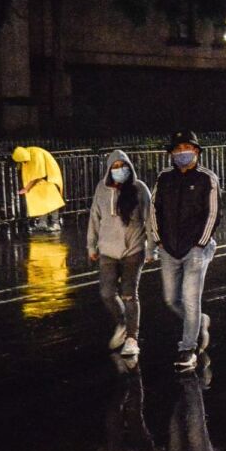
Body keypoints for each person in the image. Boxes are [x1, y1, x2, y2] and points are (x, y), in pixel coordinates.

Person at [148, 131, 220, 372]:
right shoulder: (164, 178)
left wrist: (200, 243)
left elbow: (213, 213)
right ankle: (200, 322)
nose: (182, 154)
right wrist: (158, 240)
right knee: (171, 299)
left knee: (191, 299)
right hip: (169, 248)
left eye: (187, 148)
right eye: (177, 150)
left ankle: (187, 348)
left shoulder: (206, 178)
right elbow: (153, 210)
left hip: (195, 249)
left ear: (197, 151)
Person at [87, 150, 153, 358]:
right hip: (107, 250)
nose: (119, 170)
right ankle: (123, 322)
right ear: (108, 169)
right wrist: (91, 245)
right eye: (114, 167)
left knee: (129, 294)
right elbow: (94, 217)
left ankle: (132, 338)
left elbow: (150, 220)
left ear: (129, 167)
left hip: (133, 249)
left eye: (122, 166)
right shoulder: (102, 188)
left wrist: (152, 247)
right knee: (107, 293)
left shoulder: (139, 189)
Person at [12, 145, 66, 232]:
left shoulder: (36, 155)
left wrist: (27, 188)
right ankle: (42, 223)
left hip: (49, 178)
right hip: (41, 180)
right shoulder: (27, 153)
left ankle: (55, 223)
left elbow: (39, 175)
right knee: (40, 200)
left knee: (52, 200)